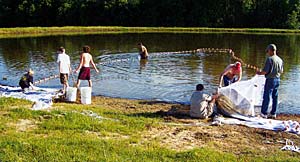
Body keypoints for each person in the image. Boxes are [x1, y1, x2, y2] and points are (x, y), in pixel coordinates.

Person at [257, 44, 283, 119]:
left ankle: (264, 113)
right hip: (277, 79)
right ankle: (273, 113)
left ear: (271, 50)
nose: (267, 53)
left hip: (270, 80)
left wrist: (259, 73)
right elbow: (281, 71)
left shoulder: (270, 59)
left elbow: (265, 71)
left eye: (268, 51)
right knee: (275, 97)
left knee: (266, 96)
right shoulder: (280, 59)